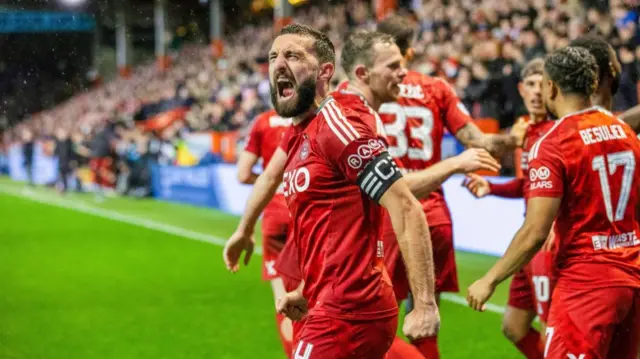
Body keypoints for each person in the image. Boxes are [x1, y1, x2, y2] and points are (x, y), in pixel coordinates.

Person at [223, 24, 439, 359]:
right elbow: (329, 221)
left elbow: (406, 206)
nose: (278, 63)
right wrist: (309, 288)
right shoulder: (301, 131)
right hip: (327, 301)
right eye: (273, 56)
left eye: (292, 55)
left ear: (325, 71)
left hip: (349, 309)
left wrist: (424, 305)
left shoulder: (339, 126)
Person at [467, 46, 640, 359]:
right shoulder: (624, 130)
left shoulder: (555, 141)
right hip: (630, 276)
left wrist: (490, 279)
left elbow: (535, 230)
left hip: (586, 282)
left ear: (552, 87)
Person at [376, 15, 525, 358]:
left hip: (389, 211)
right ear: (410, 52)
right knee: (426, 320)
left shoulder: (370, 90)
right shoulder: (437, 88)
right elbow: (479, 141)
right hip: (433, 215)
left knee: (376, 320)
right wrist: (512, 138)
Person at [464, 58, 554, 359]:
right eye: (531, 84)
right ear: (521, 89)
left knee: (555, 327)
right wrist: (492, 187)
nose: (537, 91)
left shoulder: (557, 130)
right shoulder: (524, 130)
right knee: (513, 326)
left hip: (550, 241)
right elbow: (529, 186)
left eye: (543, 84)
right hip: (529, 242)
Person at [236, 108, 293, 358]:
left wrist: (273, 181)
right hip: (307, 213)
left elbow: (243, 173)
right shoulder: (314, 115)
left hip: (275, 216)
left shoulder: (262, 121)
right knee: (317, 298)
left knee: (283, 301)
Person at [54, 128, 73, 193]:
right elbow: (56, 152)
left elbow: (71, 153)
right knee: (60, 175)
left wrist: (72, 161)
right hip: (60, 161)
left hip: (67, 162)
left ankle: (64, 188)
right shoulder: (59, 142)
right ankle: (60, 188)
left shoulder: (69, 142)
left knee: (65, 176)